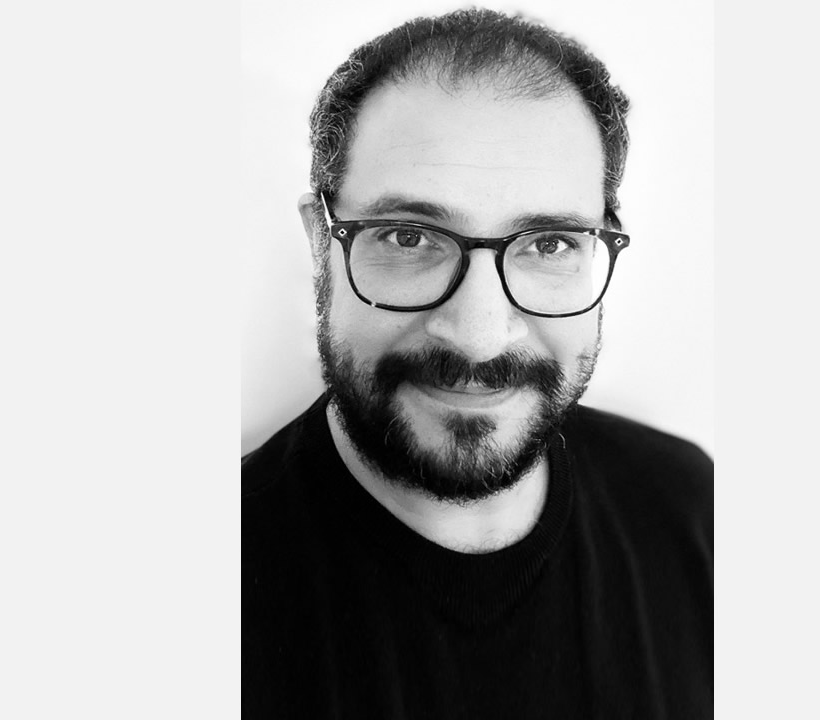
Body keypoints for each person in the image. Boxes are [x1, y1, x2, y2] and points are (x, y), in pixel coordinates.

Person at [242, 8, 712, 718]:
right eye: (408, 237)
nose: (479, 337)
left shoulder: (693, 513)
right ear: (320, 243)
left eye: (548, 244)